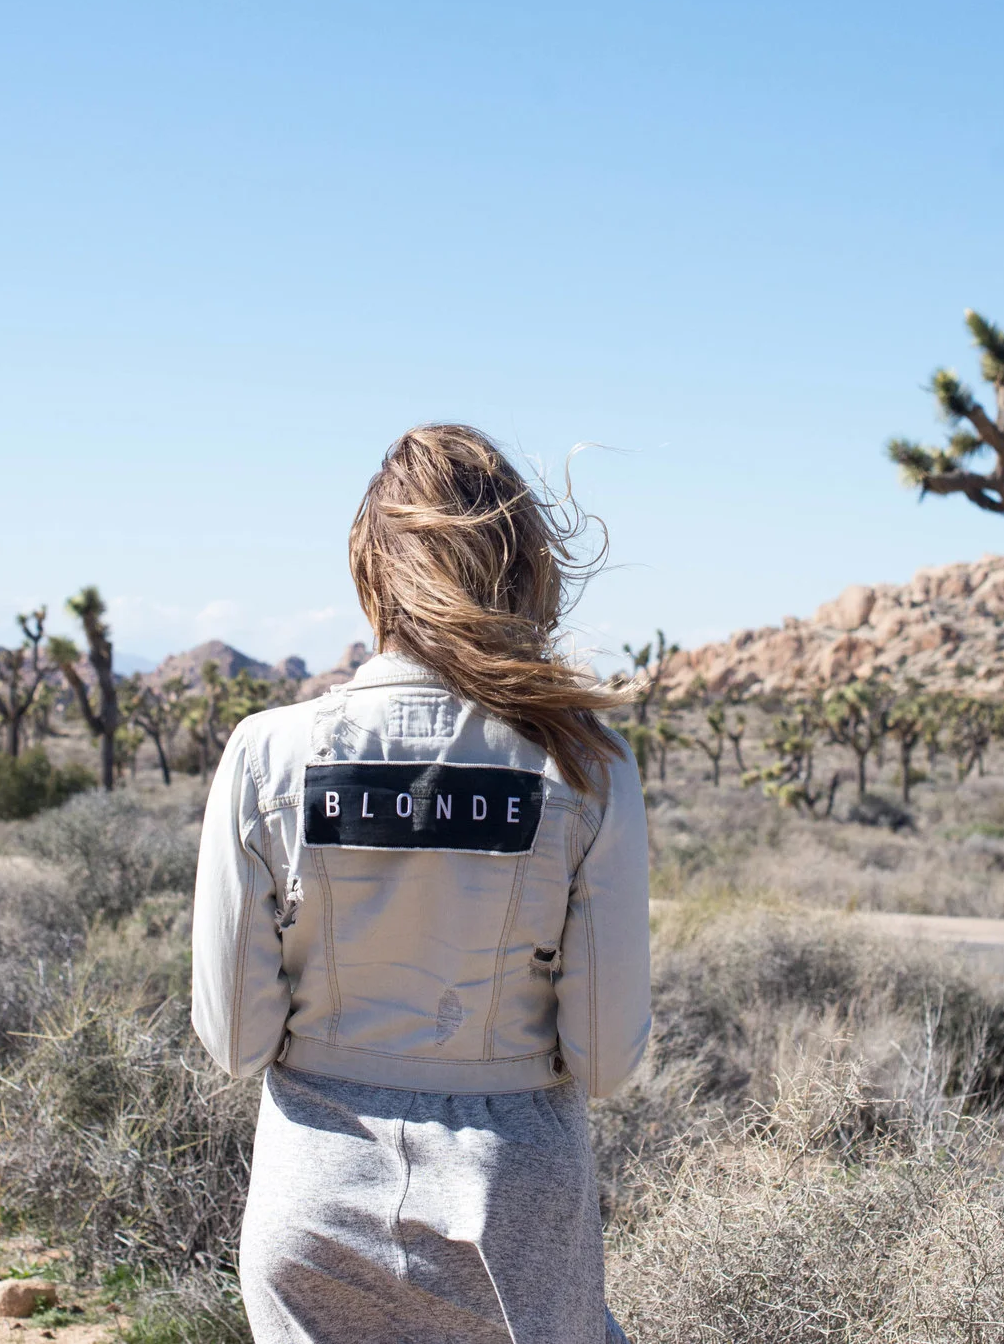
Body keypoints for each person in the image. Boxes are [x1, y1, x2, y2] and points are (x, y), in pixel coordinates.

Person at [193, 424, 651, 1344]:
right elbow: (605, 1053)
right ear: (523, 569)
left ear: (373, 571)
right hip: (514, 1210)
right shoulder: (585, 764)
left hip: (313, 1198)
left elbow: (238, 1040)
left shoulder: (265, 754)